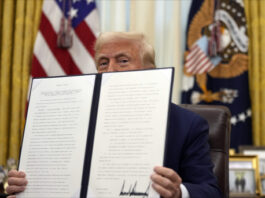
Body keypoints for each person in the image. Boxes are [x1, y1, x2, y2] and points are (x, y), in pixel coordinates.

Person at [6, 32, 222, 198]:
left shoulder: (188, 124)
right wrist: (22, 187)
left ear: (151, 70)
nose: (110, 71)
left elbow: (210, 191)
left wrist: (178, 192)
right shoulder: (71, 119)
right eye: (103, 63)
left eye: (123, 61)